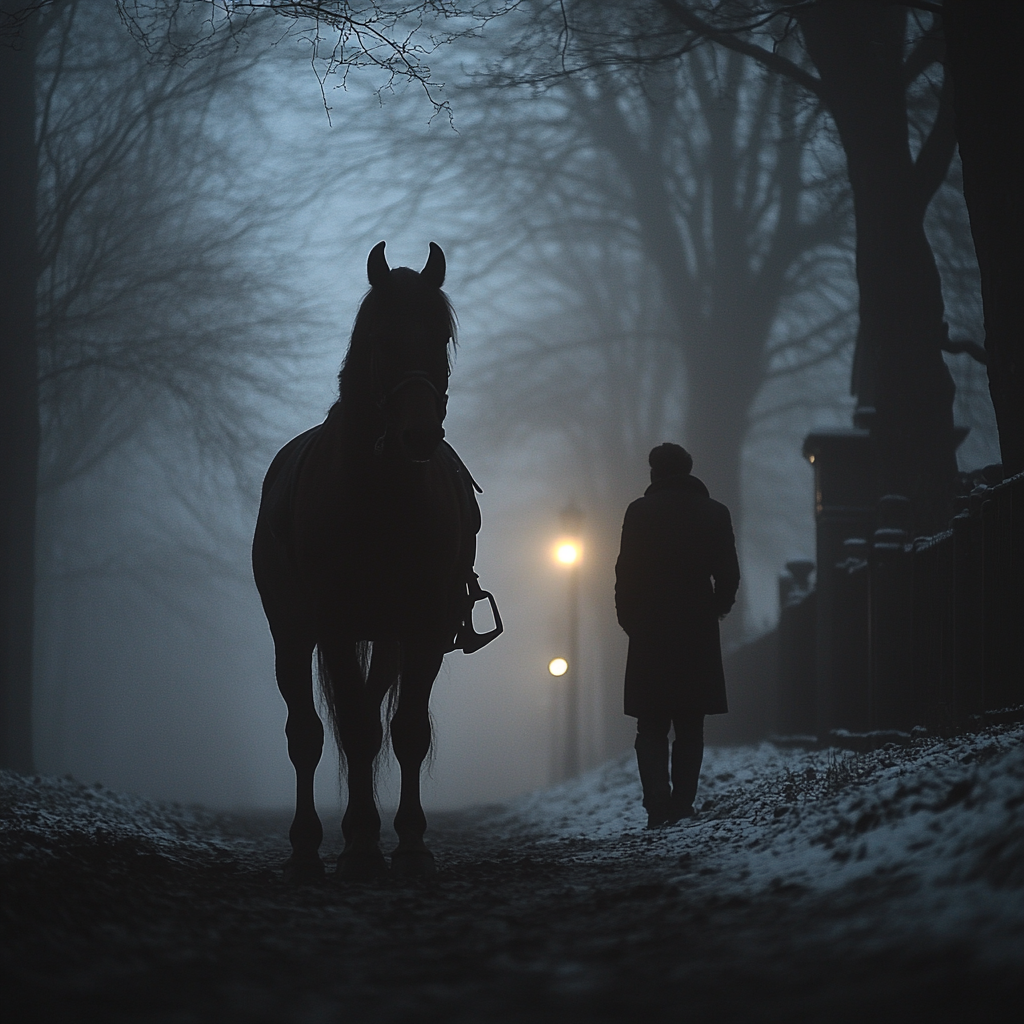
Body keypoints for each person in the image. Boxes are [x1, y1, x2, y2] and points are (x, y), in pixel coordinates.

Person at [614, 443, 740, 828]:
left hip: (650, 627)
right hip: (696, 628)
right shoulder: (715, 513)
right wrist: (716, 607)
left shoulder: (639, 512)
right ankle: (683, 804)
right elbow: (729, 573)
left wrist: (629, 618)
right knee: (690, 724)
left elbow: (626, 572)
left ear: (655, 473)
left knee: (650, 724)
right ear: (688, 470)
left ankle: (657, 806)